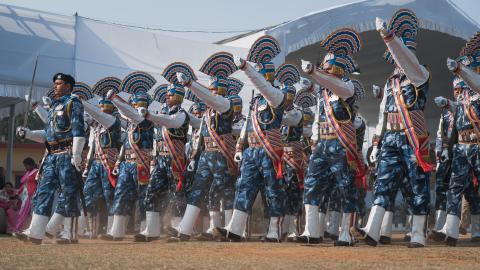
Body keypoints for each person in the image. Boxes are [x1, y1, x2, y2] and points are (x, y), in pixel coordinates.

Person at [298, 28, 364, 247]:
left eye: (327, 67)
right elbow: (318, 118)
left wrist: (314, 73)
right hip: (323, 145)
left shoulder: (348, 86)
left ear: (337, 68)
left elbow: (336, 84)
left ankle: (346, 232)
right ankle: (311, 230)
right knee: (312, 183)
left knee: (345, 187)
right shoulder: (324, 92)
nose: (325, 69)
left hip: (341, 144)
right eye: (323, 67)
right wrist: (315, 139)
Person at [167, 53, 241, 241]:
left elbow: (211, 99)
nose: (210, 92)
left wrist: (190, 84)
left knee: (225, 190)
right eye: (210, 89)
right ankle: (185, 229)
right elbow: (200, 135)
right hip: (207, 155)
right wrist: (193, 158)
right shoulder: (209, 112)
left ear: (220, 90)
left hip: (221, 154)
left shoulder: (224, 103)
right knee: (198, 190)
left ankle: (231, 229)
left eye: (213, 89)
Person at [16, 73, 86, 244]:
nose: (55, 86)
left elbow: (78, 130)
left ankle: (69, 233)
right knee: (43, 193)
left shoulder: (73, 103)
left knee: (68, 194)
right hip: (51, 156)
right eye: (55, 83)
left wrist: (76, 154)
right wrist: (30, 134)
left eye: (59, 83)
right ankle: (35, 232)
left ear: (68, 86)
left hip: (66, 155)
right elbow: (49, 135)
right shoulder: (54, 107)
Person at [12, 158, 38, 234]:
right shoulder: (28, 172)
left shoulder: (36, 172)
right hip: (26, 195)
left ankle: (22, 229)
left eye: (26, 165)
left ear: (31, 165)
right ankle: (20, 229)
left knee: (31, 213)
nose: (25, 167)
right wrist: (17, 193)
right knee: (24, 213)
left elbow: (39, 183)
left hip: (33, 195)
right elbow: (24, 184)